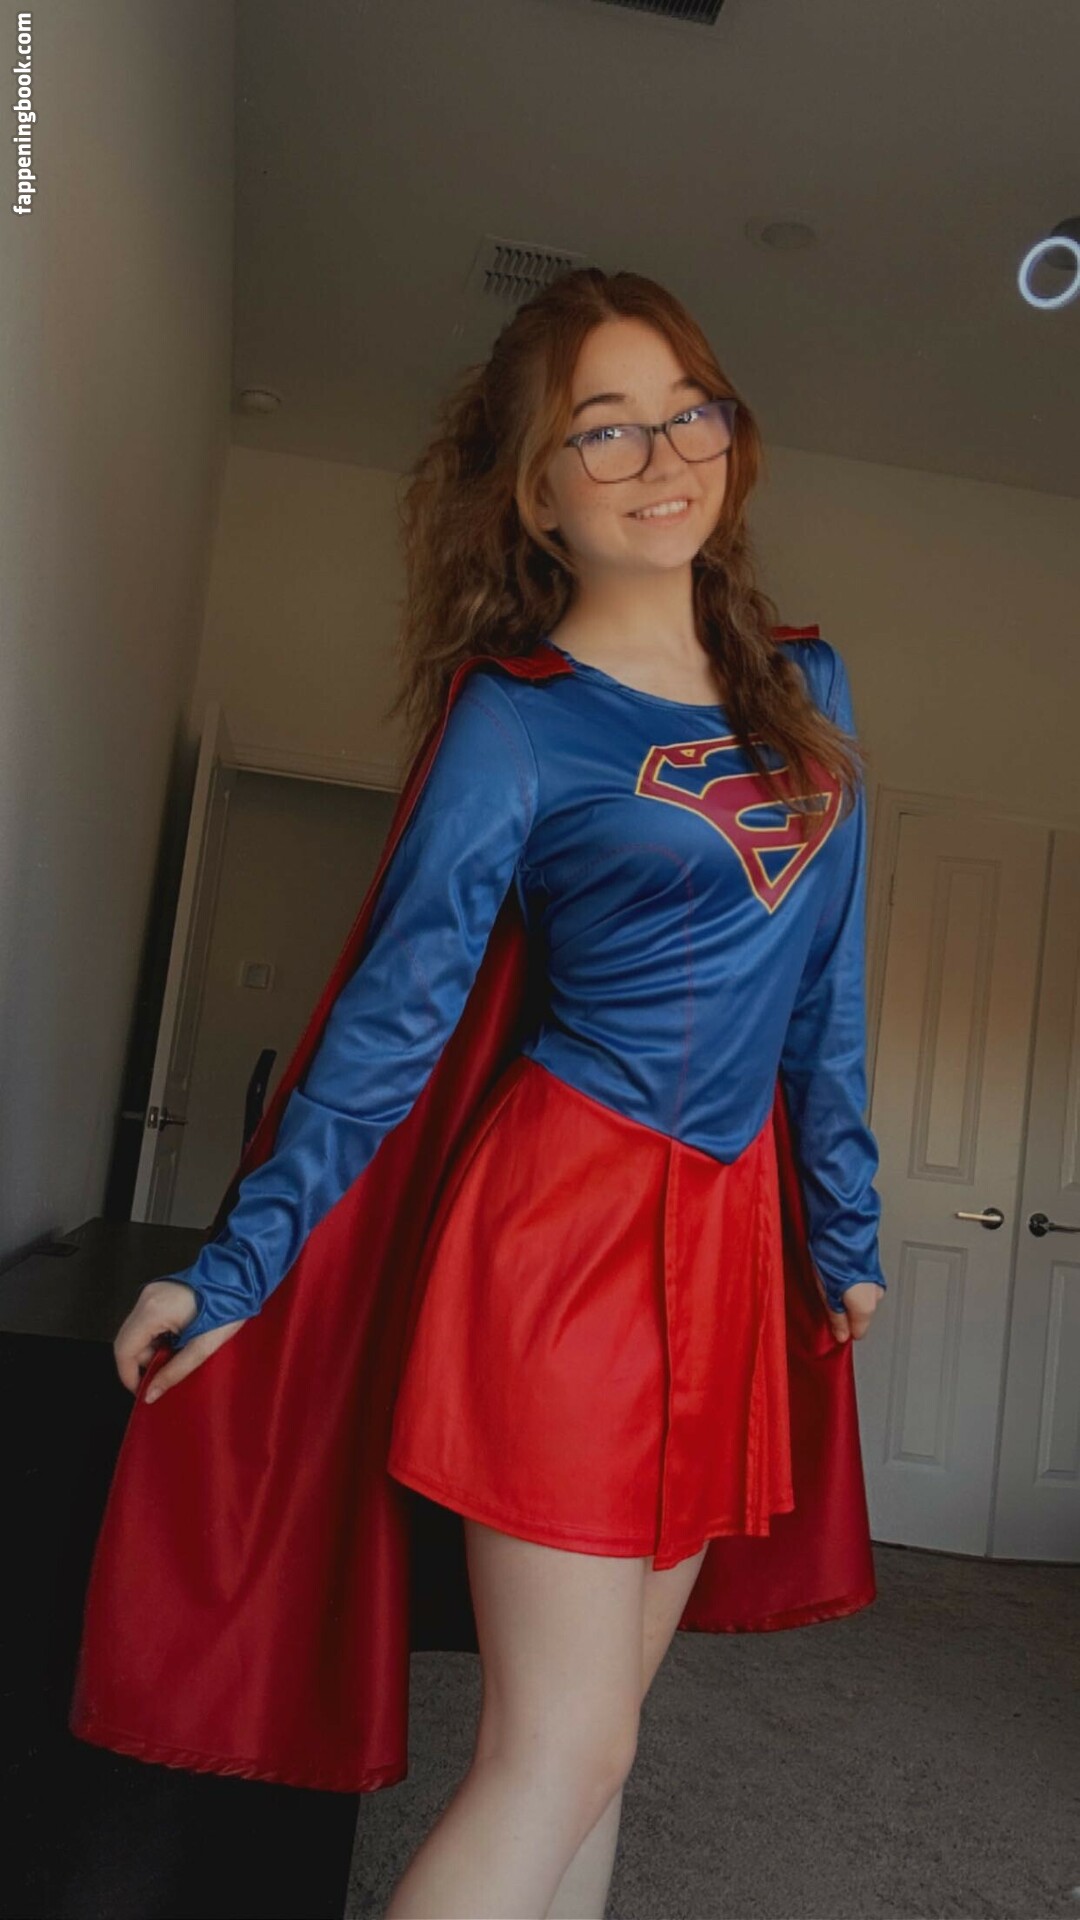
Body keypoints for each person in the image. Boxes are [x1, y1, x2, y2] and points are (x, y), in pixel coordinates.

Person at [81, 267, 886, 1920]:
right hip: (567, 1231)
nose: (664, 456)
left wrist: (847, 1222)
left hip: (731, 1236)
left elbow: (826, 988)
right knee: (556, 1751)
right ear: (536, 489)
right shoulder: (515, 726)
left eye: (690, 411)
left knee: (604, 1746)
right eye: (606, 429)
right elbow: (392, 1021)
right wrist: (236, 1264)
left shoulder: (813, 689)